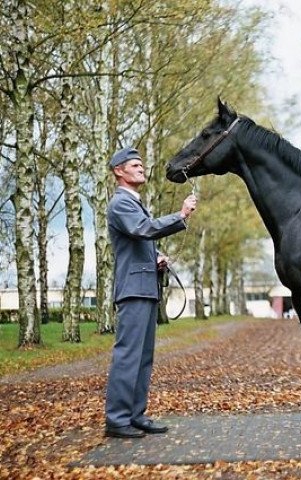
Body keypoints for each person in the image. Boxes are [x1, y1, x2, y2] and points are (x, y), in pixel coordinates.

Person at [104, 146, 197, 439]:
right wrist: (180, 215)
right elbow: (143, 229)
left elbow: (140, 239)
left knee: (143, 357)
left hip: (144, 287)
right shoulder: (121, 203)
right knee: (128, 356)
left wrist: (155, 258)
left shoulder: (134, 202)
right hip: (133, 290)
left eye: (141, 164)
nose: (141, 168)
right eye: (134, 165)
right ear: (119, 171)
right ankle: (117, 419)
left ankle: (135, 415)